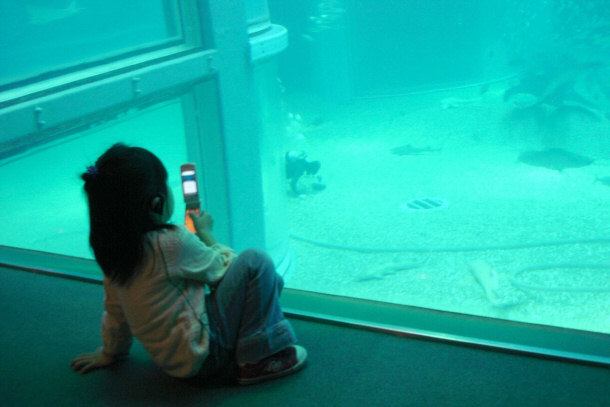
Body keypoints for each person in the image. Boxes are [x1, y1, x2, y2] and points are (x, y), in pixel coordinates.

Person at [70, 143, 306, 385]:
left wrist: (110, 351)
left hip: (173, 362)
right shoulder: (169, 242)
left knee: (266, 281)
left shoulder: (114, 255)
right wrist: (206, 234)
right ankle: (257, 359)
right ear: (157, 203)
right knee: (257, 262)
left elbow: (115, 311)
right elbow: (224, 271)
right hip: (205, 354)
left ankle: (251, 343)